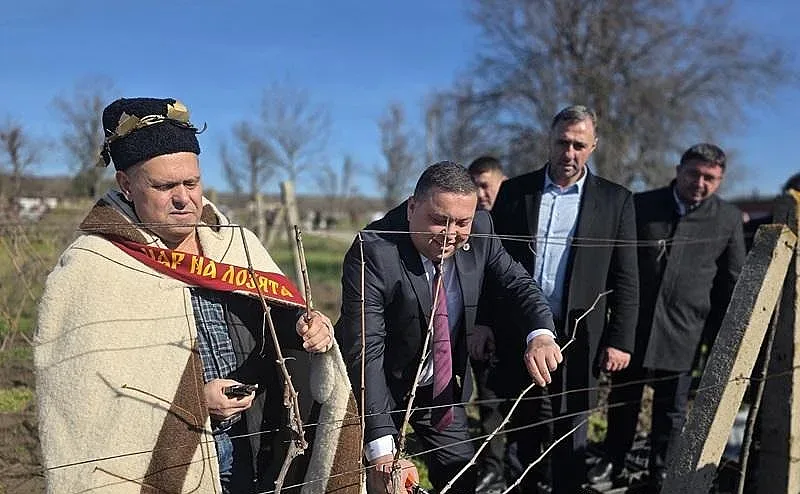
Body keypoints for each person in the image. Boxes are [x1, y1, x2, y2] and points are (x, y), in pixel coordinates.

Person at [34, 97, 361, 493]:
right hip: (170, 463)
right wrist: (196, 403)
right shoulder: (91, 268)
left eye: (191, 183)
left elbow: (272, 316)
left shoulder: (232, 242)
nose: (183, 198)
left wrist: (305, 327)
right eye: (164, 186)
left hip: (258, 445)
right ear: (126, 185)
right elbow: (90, 403)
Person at [336, 161, 562, 493]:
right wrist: (382, 453)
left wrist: (540, 333)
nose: (450, 234)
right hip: (378, 389)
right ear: (412, 207)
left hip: (440, 391)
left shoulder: (482, 229)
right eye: (439, 221)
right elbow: (365, 349)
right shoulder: (373, 250)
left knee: (461, 476)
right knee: (373, 485)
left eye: (461, 223)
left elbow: (518, 285)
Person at [489, 105, 639, 494]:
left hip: (579, 334)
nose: (569, 153)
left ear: (593, 146)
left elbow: (626, 277)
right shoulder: (515, 191)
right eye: (562, 142)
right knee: (521, 421)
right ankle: (524, 487)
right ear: (549, 140)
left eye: (579, 145)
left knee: (572, 427)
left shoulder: (616, 200)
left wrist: (620, 339)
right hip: (519, 330)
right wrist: (484, 322)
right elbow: (493, 265)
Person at [588, 143, 746, 492]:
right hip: (636, 326)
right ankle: (614, 461)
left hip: (685, 331)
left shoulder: (727, 218)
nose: (700, 183)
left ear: (720, 180)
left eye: (710, 178)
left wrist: (719, 343)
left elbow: (729, 284)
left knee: (671, 411)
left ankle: (662, 471)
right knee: (623, 401)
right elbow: (617, 269)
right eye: (694, 173)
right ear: (678, 170)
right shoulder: (642, 206)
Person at [466, 156, 509, 493]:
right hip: (481, 329)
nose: (481, 193)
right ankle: (493, 466)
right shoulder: (467, 225)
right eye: (474, 185)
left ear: (501, 183)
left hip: (520, 327)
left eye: (486, 185)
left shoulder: (514, 219)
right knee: (489, 400)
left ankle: (521, 464)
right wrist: (480, 324)